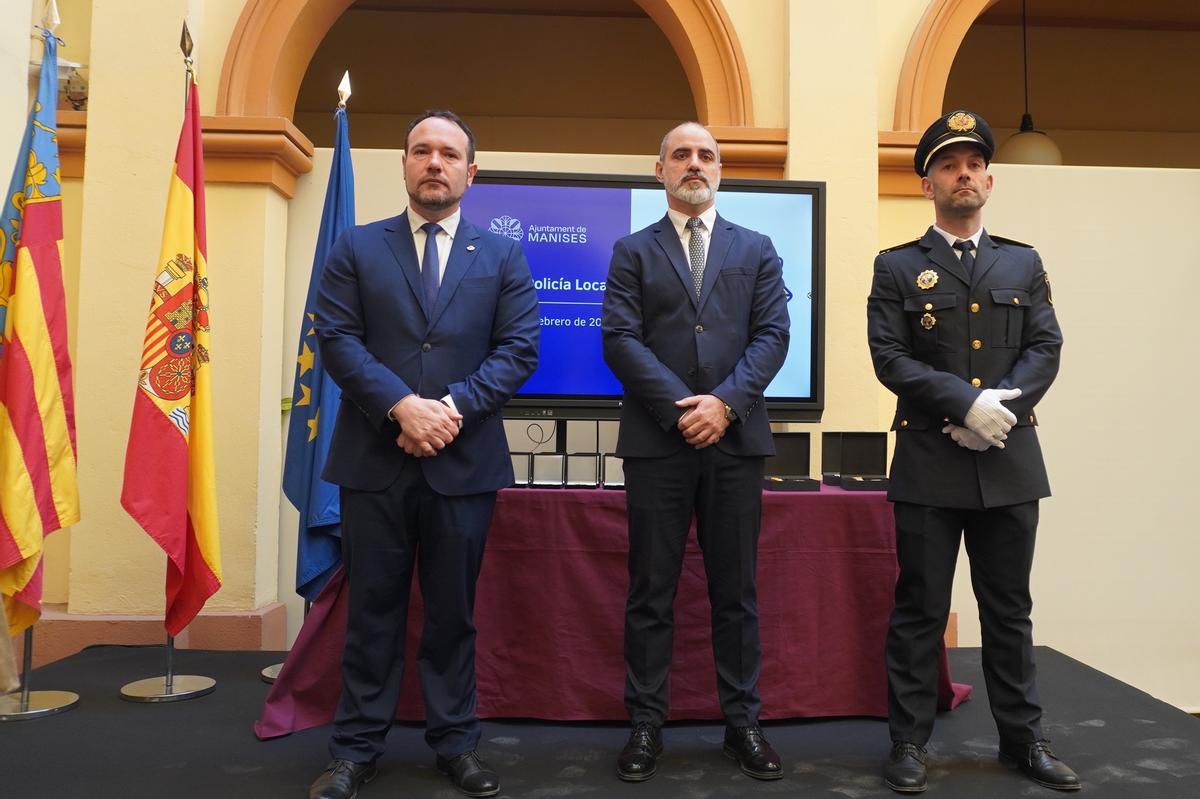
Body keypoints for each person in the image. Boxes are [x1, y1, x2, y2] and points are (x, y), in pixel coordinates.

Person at [309, 109, 539, 799]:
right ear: (404, 165)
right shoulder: (356, 247)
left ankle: (455, 743)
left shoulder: (500, 255)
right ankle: (353, 751)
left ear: (472, 171)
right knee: (372, 609)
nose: (434, 162)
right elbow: (338, 339)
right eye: (421, 151)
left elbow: (519, 348)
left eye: (448, 153)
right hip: (375, 460)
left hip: (463, 464)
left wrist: (450, 410)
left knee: (453, 613)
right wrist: (402, 407)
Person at [867, 110, 1079, 794]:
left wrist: (999, 411)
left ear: (989, 178)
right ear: (927, 182)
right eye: (948, 164)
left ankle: (1024, 740)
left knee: (1009, 611)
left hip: (1009, 461)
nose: (963, 173)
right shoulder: (898, 266)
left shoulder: (1023, 260)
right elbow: (889, 356)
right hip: (930, 461)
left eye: (972, 164)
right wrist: (962, 405)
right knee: (920, 609)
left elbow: (1045, 346)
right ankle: (906, 742)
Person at [601, 122, 790, 783]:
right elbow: (620, 339)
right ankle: (646, 725)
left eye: (706, 154)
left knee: (734, 592)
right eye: (681, 154)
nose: (694, 163)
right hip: (657, 444)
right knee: (650, 590)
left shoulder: (758, 249)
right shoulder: (632, 251)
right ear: (660, 170)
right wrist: (685, 406)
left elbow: (772, 336)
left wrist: (724, 404)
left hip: (736, 443)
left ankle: (743, 724)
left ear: (720, 170)